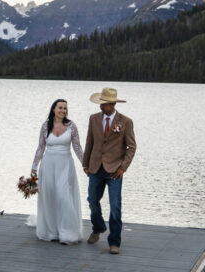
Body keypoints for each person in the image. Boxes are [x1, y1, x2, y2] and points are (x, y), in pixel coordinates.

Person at [83, 87, 136, 254]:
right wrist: (85, 164)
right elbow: (89, 142)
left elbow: (131, 147)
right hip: (95, 168)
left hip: (115, 170)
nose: (100, 106)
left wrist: (122, 168)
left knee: (115, 206)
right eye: (100, 103)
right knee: (92, 200)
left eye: (104, 103)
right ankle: (98, 227)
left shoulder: (125, 122)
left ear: (112, 104)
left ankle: (114, 242)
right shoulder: (93, 119)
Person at [29, 98, 84, 243]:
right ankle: (51, 231)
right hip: (48, 165)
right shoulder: (45, 126)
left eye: (65, 108)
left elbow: (77, 147)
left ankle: (67, 232)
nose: (63, 111)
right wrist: (34, 168)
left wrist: (86, 165)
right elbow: (41, 147)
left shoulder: (72, 126)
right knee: (49, 196)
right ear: (54, 109)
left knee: (63, 196)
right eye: (60, 107)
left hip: (65, 165)